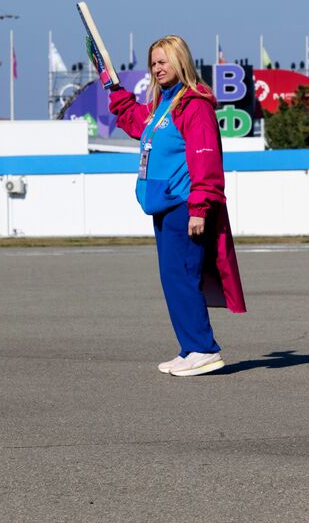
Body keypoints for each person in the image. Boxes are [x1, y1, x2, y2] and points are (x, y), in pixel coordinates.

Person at [108, 35, 246, 377]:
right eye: (153, 62)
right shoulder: (163, 106)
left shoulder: (193, 104)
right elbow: (134, 121)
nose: (157, 68)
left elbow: (205, 158)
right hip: (163, 206)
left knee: (182, 276)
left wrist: (200, 207)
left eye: (164, 61)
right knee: (173, 278)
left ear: (180, 61)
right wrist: (114, 88)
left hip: (185, 206)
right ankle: (190, 347)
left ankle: (203, 348)